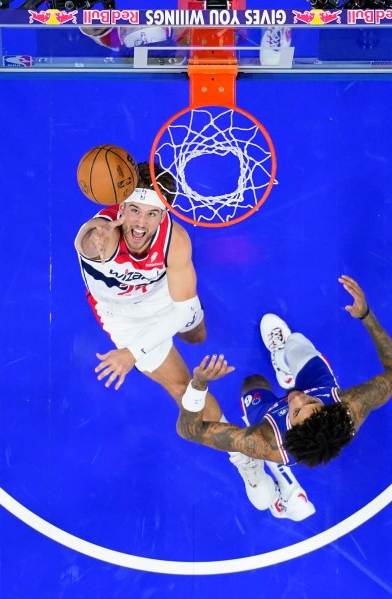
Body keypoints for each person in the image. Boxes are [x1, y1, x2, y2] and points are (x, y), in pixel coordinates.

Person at [75, 161, 276, 506]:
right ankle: (246, 460)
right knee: (183, 388)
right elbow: (89, 241)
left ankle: (187, 336)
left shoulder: (176, 240)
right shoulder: (100, 237)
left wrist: (135, 352)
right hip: (125, 318)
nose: (140, 223)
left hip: (167, 297)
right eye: (134, 210)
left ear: (164, 213)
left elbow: (182, 308)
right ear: (120, 207)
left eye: (152, 214)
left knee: (196, 333)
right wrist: (132, 351)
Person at [175, 275, 392, 520]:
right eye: (311, 403)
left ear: (291, 428)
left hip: (272, 439)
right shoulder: (350, 406)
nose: (296, 398)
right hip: (319, 388)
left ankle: (252, 471)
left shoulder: (265, 441)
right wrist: (366, 314)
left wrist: (198, 385)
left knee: (252, 384)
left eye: (296, 411)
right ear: (330, 407)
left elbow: (188, 430)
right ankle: (284, 359)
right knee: (296, 343)